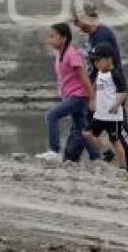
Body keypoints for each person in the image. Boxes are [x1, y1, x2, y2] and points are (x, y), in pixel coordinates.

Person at [73, 3, 128, 170]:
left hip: (111, 89)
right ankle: (79, 156)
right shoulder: (93, 36)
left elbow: (104, 65)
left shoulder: (102, 35)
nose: (76, 26)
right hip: (100, 88)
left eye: (77, 21)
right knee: (86, 124)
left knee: (120, 130)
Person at [36, 22, 94, 161]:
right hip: (71, 96)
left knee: (51, 115)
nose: (49, 40)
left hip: (78, 96)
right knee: (82, 129)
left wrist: (92, 97)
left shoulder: (71, 54)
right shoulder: (60, 54)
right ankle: (97, 157)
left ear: (63, 38)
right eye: (49, 36)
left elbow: (83, 76)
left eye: (53, 36)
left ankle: (54, 151)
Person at [83, 43, 128, 168]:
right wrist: (92, 101)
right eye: (94, 61)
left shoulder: (115, 74)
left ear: (109, 59)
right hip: (99, 115)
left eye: (98, 60)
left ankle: (123, 167)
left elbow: (123, 92)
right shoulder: (98, 73)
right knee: (87, 133)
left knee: (115, 141)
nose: (95, 63)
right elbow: (95, 87)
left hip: (113, 117)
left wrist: (116, 104)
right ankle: (107, 152)